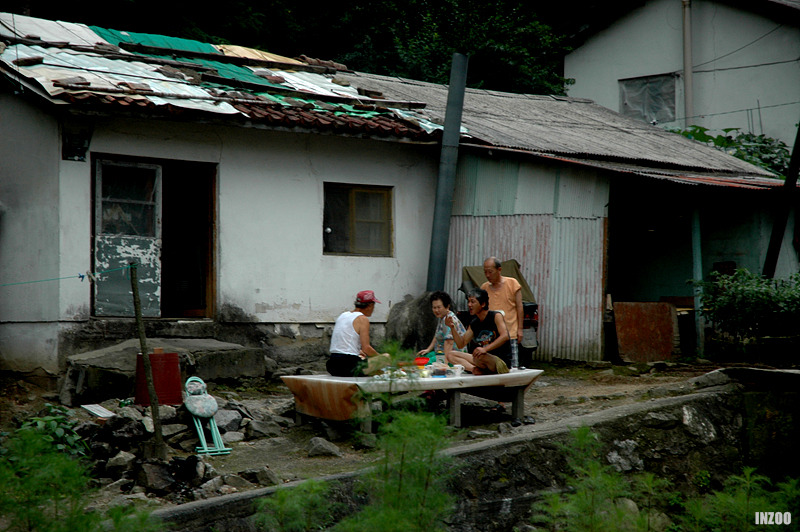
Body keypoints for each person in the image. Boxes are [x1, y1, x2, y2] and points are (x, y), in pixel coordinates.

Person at [445, 288, 510, 375]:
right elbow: (461, 344)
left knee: (481, 356)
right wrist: (452, 327)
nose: (469, 305)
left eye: (472, 302)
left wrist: (485, 349)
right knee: (450, 355)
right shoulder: (474, 323)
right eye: (468, 302)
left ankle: (480, 368)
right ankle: (474, 370)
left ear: (482, 304)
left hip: (498, 361)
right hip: (481, 359)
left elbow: (505, 336)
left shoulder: (496, 316)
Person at [327, 290, 391, 377]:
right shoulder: (362, 319)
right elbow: (366, 348)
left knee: (362, 357)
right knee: (386, 357)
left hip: (332, 366)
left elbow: (344, 345)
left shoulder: (343, 315)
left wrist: (358, 351)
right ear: (370, 305)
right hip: (349, 366)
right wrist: (380, 359)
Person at [481, 257, 524, 369]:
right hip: (491, 336)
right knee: (493, 367)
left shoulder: (512, 284)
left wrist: (520, 329)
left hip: (510, 332)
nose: (487, 275)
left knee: (511, 367)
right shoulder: (484, 288)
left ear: (499, 270)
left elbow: (520, 307)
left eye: (490, 272)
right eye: (485, 272)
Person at [417, 290, 473, 370]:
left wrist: (445, 365)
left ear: (447, 307)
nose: (436, 310)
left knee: (427, 364)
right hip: (441, 352)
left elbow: (449, 342)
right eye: (434, 307)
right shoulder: (441, 317)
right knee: (424, 356)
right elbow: (437, 335)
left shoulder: (449, 319)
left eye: (439, 307)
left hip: (453, 356)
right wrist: (428, 349)